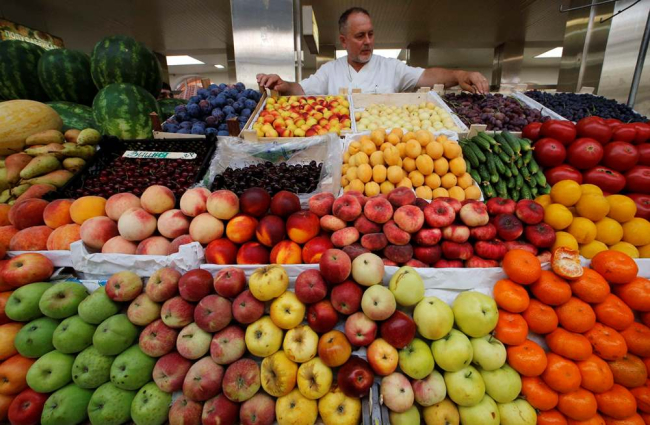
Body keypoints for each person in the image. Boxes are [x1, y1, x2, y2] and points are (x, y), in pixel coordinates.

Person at [257, 7, 489, 95]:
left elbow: (428, 75)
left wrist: (459, 74)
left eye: (371, 34)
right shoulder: (329, 71)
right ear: (343, 41)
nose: (368, 41)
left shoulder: (390, 67)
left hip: (384, 157)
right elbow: (300, 90)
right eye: (360, 36)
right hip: (344, 156)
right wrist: (283, 85)